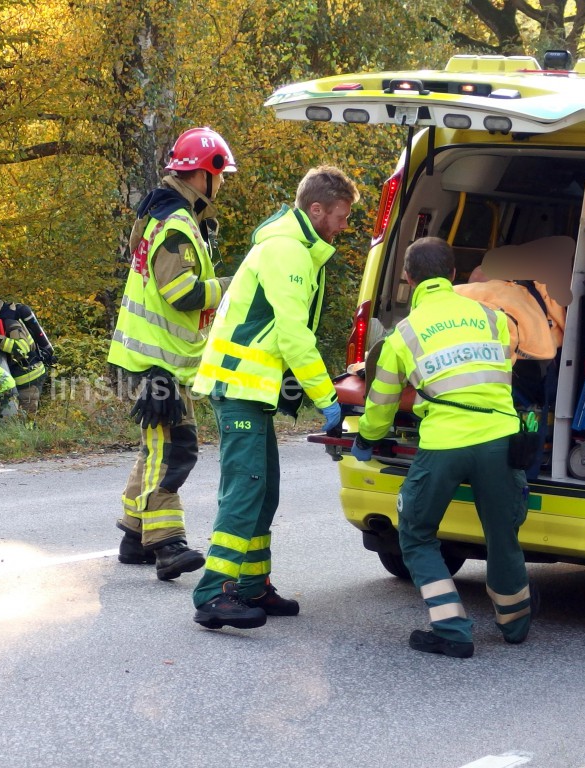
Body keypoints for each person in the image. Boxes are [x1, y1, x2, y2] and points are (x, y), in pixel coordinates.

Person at [189, 165, 357, 629]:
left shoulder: (295, 247)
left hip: (250, 387)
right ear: (317, 209)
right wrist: (327, 398)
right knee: (245, 490)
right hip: (240, 384)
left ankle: (251, 586)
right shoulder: (287, 250)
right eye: (341, 216)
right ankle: (212, 593)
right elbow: (293, 335)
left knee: (263, 492)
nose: (344, 227)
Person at [350, 236, 533, 658]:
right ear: (452, 274)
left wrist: (366, 438)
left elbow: (382, 402)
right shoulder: (493, 318)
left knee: (415, 531)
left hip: (445, 444)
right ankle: (515, 622)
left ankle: (451, 628)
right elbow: (500, 370)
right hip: (501, 437)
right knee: (503, 533)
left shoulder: (404, 334)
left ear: (408, 279)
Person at [106, 126, 237, 581]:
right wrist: (229, 287)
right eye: (222, 176)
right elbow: (181, 292)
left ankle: (133, 534)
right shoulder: (176, 225)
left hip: (145, 359)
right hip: (153, 364)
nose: (223, 186)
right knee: (177, 449)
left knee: (156, 447)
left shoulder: (168, 216)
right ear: (206, 175)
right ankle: (167, 545)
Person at [0, 287, 48, 416]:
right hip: (16, 375)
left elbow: (22, 348)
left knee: (26, 418)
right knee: (16, 417)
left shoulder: (9, 320)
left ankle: (30, 435)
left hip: (29, 376)